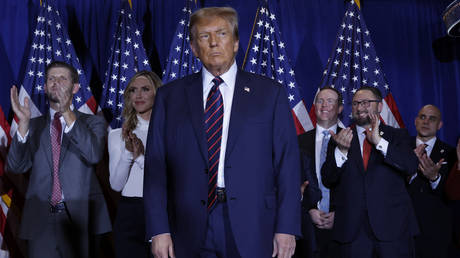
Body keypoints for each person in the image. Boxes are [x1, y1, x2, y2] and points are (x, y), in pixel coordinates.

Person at [144, 6, 301, 258]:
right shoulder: (169, 97)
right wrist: (158, 230)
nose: (214, 42)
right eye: (204, 36)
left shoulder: (270, 94)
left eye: (222, 34)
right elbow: (155, 169)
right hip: (187, 227)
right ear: (194, 48)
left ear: (236, 42)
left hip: (254, 224)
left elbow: (287, 165)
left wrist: (287, 227)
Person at [7, 61, 111, 258]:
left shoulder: (92, 122)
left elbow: (93, 154)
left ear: (75, 88)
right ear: (44, 87)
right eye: (51, 79)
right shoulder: (33, 125)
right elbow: (16, 166)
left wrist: (66, 111)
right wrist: (23, 124)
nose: (56, 83)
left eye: (63, 79)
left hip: (81, 219)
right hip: (40, 221)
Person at [321, 86, 419, 258]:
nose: (360, 108)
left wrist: (380, 142)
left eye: (366, 102)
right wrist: (341, 152)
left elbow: (410, 166)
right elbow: (328, 179)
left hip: (393, 230)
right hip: (352, 232)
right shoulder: (340, 138)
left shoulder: (397, 135)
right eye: (356, 103)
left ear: (380, 106)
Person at [108, 71, 161, 258]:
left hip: (163, 211)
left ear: (157, 93)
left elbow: (168, 178)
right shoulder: (116, 135)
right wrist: (129, 154)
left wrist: (140, 158)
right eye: (133, 90)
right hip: (130, 214)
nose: (138, 95)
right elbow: (116, 184)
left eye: (145, 89)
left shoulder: (170, 131)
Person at [296, 86, 342, 258]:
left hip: (343, 229)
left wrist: (340, 213)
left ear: (340, 108)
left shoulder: (351, 140)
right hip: (308, 229)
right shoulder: (299, 141)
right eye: (320, 101)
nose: (324, 105)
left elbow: (356, 185)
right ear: (314, 106)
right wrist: (309, 209)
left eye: (330, 101)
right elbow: (293, 181)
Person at [408, 104, 456, 258]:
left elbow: (453, 194)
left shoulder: (451, 153)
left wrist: (434, 178)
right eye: (422, 117)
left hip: (434, 233)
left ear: (440, 125)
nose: (426, 122)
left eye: (432, 118)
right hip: (401, 229)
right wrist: (409, 170)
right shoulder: (400, 147)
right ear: (415, 121)